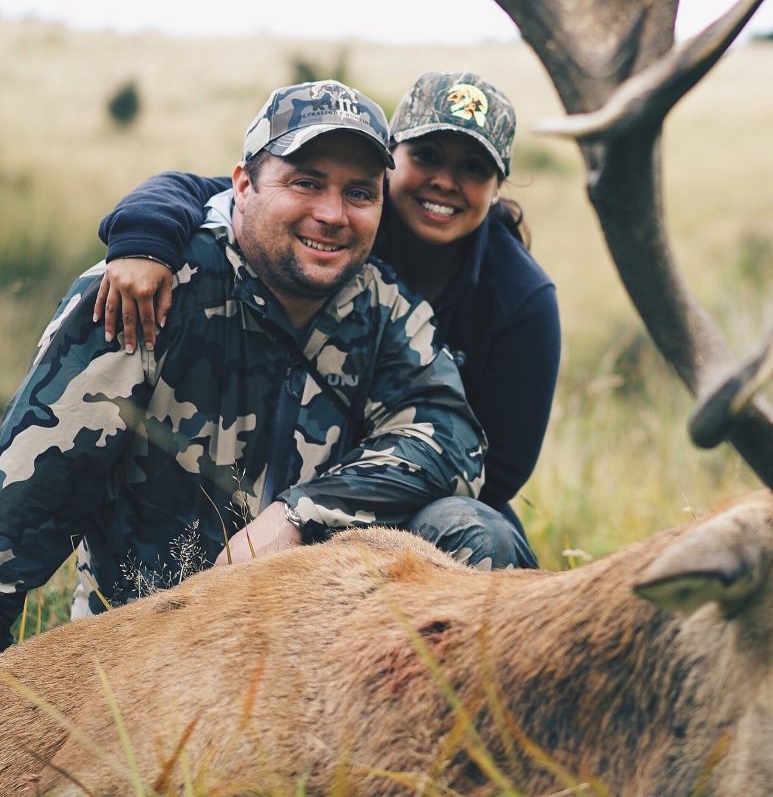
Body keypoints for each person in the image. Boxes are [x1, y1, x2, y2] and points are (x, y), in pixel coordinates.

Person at [0, 80, 487, 649]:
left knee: (477, 532)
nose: (332, 214)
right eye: (306, 183)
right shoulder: (151, 290)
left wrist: (300, 515)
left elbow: (451, 440)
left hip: (314, 650)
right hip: (146, 651)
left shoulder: (387, 310)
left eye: (359, 193)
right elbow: (22, 509)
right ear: (243, 185)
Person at [95, 71, 560, 568]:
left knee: (480, 530)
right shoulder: (342, 214)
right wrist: (145, 240)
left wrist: (338, 505)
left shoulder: (522, 299)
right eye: (427, 156)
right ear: (391, 159)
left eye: (473, 168)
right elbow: (204, 191)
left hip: (413, 498)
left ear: (497, 187)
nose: (445, 181)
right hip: (284, 470)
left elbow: (498, 469)